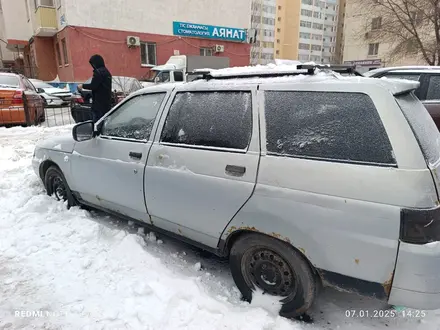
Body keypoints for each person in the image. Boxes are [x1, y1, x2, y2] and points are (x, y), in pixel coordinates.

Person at [78, 54, 112, 123]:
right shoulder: (107, 72)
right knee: (104, 122)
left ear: (95, 63)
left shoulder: (98, 72)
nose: (92, 66)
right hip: (106, 103)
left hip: (98, 105)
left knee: (97, 123)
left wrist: (82, 86)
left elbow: (93, 86)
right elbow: (101, 88)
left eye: (92, 64)